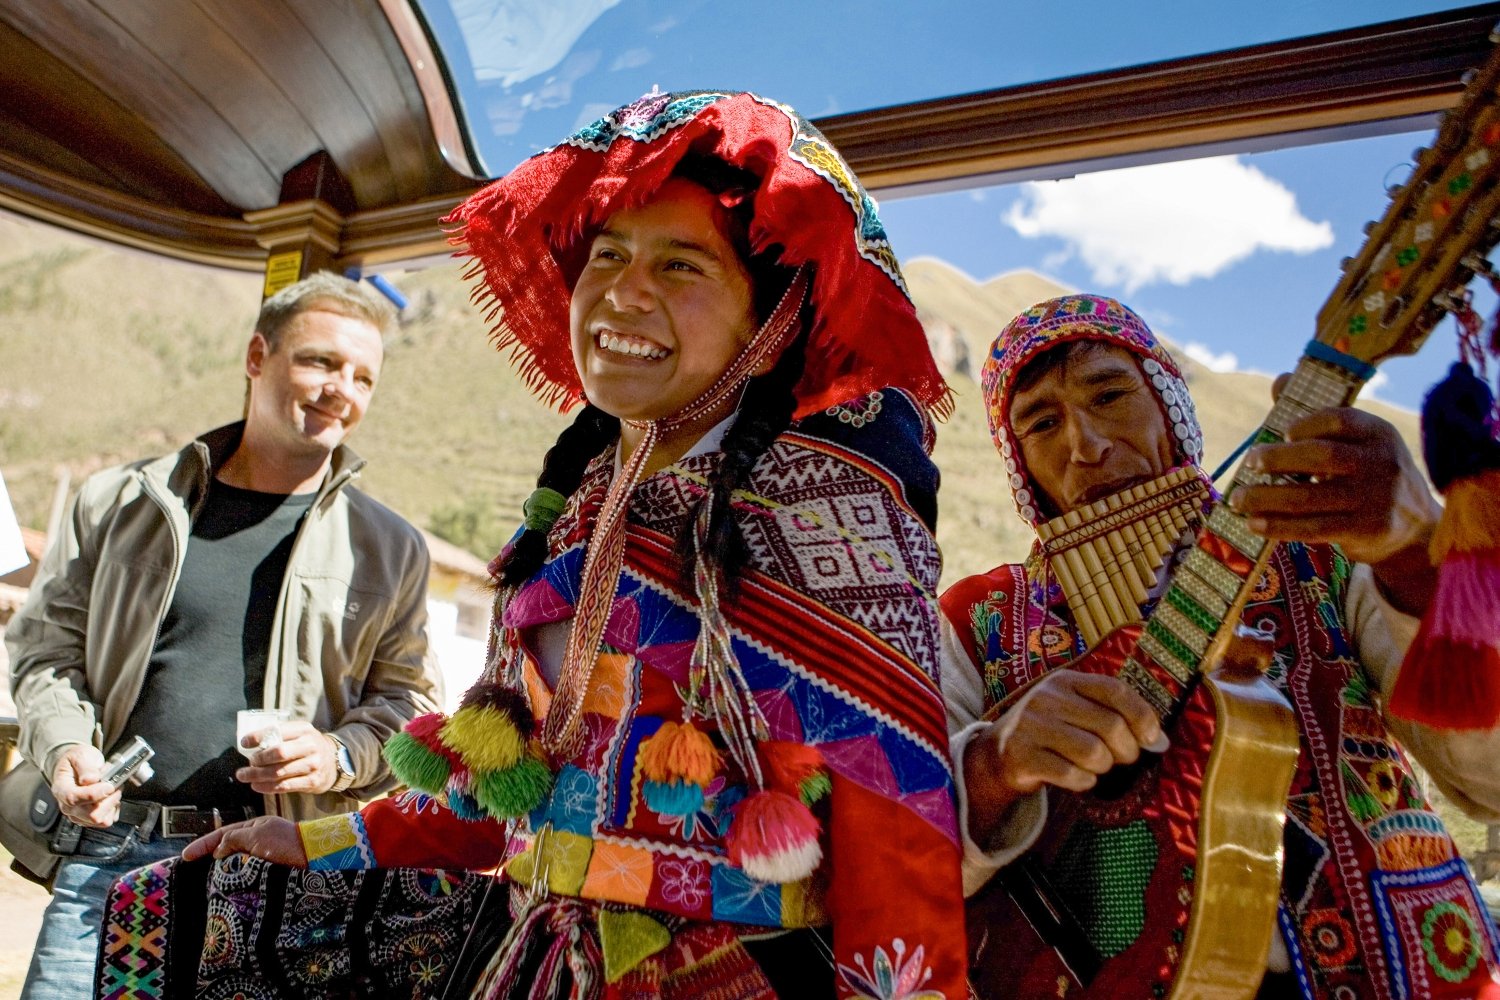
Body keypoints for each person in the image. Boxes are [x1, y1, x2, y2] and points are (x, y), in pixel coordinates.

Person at [149, 90, 968, 999]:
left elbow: (898, 827)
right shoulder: (572, 515)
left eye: (681, 264)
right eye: (608, 255)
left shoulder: (831, 512)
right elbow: (501, 796)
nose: (625, 290)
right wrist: (317, 840)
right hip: (539, 966)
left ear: (772, 325)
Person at [943, 294, 1500, 999]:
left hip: (1399, 972)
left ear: (1169, 404)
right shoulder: (975, 622)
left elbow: (1490, 779)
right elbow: (889, 862)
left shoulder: (1326, 546)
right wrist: (994, 767)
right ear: (1020, 464)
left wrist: (1414, 557)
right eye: (1042, 423)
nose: (1085, 445)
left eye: (1109, 395)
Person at [7, 271, 445, 999]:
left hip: (274, 865)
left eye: (363, 376)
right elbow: (44, 650)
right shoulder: (121, 502)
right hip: (108, 854)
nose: (341, 389)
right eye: (321, 361)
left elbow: (411, 705)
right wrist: (64, 747)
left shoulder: (392, 548)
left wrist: (336, 755)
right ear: (256, 357)